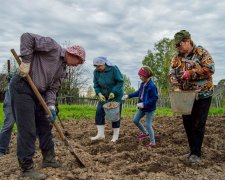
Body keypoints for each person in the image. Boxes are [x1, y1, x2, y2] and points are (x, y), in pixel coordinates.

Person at [9, 32, 86, 179]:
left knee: (45, 125)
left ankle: (49, 159)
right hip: (23, 87)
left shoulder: (63, 71)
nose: (77, 65)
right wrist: (26, 62)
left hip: (40, 93)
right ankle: (26, 168)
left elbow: (53, 89)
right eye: (79, 61)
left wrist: (50, 106)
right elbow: (27, 37)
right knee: (28, 128)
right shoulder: (52, 47)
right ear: (72, 54)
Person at [169, 30, 215, 163]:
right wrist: (176, 87)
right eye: (177, 45)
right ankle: (192, 150)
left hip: (203, 94)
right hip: (185, 96)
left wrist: (191, 73)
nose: (178, 47)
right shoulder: (176, 57)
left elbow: (210, 68)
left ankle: (196, 153)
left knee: (198, 124)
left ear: (188, 41)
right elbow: (171, 73)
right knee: (187, 123)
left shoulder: (201, 52)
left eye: (180, 44)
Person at [123, 66, 158, 148]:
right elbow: (138, 92)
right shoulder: (143, 84)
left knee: (148, 124)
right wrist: (129, 96)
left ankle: (153, 142)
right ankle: (145, 133)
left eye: (141, 76)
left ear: (146, 76)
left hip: (149, 108)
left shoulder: (152, 86)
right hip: (142, 108)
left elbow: (154, 98)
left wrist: (144, 104)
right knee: (135, 120)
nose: (140, 77)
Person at [91, 56, 124, 142]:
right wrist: (99, 93)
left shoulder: (113, 69)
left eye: (99, 66)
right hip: (104, 96)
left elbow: (120, 81)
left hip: (116, 95)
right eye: (96, 66)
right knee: (99, 113)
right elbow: (96, 85)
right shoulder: (96, 72)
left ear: (104, 64)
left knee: (114, 115)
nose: (97, 68)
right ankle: (101, 134)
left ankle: (115, 136)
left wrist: (114, 92)